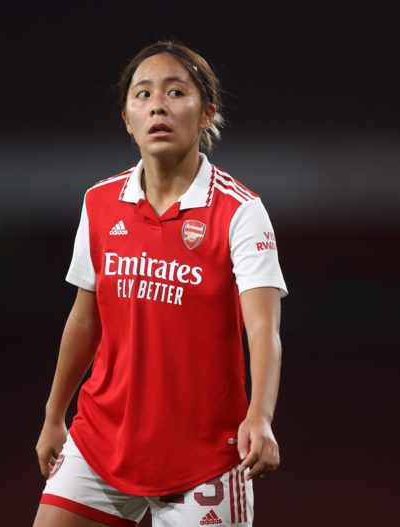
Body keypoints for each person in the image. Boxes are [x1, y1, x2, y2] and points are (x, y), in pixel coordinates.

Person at [33, 40, 287, 527]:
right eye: (143, 94)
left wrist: (260, 415)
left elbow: (262, 330)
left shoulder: (240, 212)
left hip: (203, 456)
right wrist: (53, 415)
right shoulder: (100, 203)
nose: (158, 106)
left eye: (175, 92)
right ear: (127, 118)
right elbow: (85, 319)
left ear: (207, 113)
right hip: (102, 440)